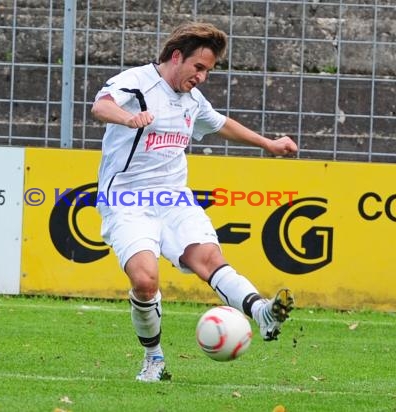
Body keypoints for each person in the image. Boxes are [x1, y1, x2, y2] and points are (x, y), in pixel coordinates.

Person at [91, 22, 298, 383]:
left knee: (209, 259)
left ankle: (262, 313)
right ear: (176, 57)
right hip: (127, 200)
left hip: (174, 199)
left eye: (208, 71)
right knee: (144, 280)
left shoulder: (192, 99)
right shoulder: (138, 81)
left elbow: (221, 124)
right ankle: (153, 359)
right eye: (198, 67)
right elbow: (101, 106)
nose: (202, 77)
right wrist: (129, 118)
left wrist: (268, 144)